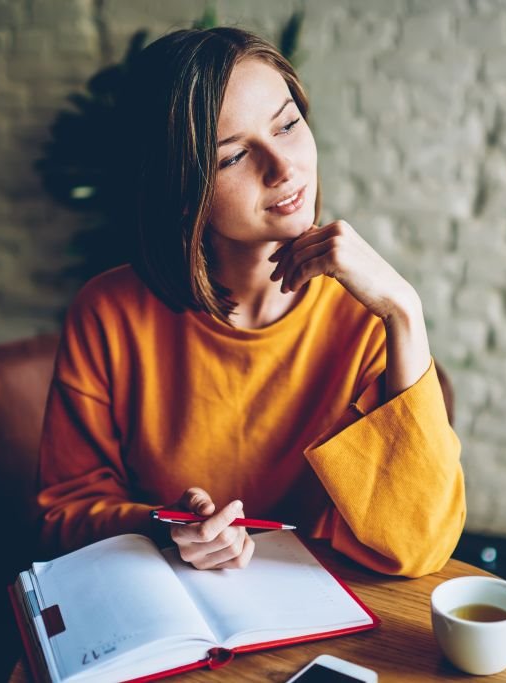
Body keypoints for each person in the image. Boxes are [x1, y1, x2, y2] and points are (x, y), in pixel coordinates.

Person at [36, 27, 465, 578]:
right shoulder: (109, 312)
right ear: (179, 186)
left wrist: (405, 311)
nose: (283, 166)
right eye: (234, 156)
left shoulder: (366, 319)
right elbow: (62, 514)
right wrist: (165, 529)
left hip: (324, 607)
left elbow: (416, 548)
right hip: (170, 604)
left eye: (287, 125)